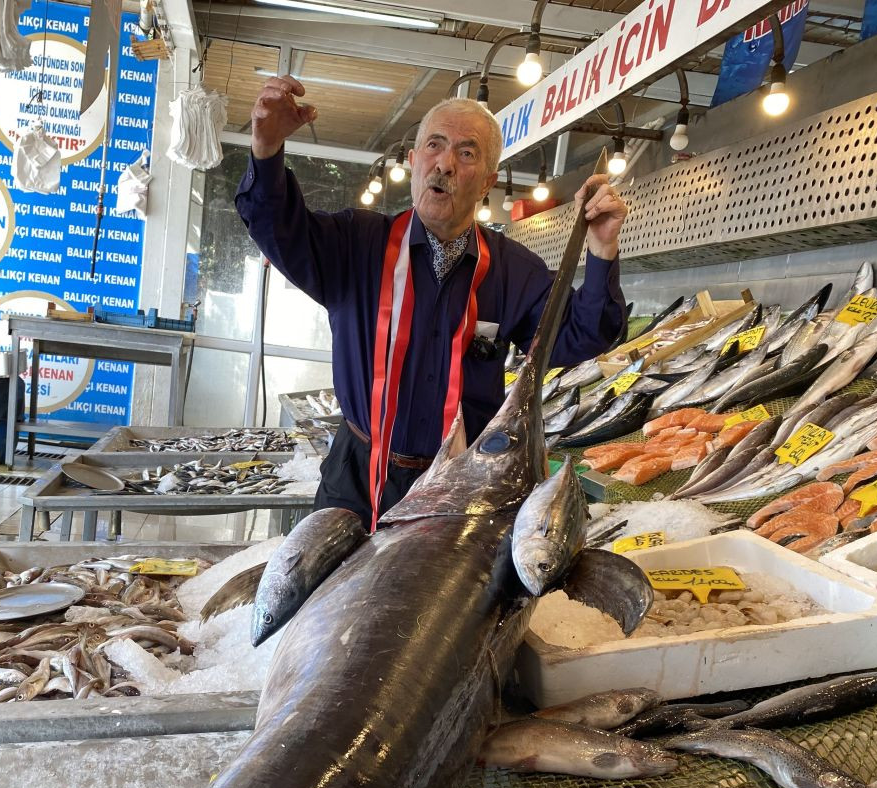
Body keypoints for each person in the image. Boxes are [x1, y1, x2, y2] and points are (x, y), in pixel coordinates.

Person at [236, 76, 629, 529]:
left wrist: (601, 249)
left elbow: (579, 336)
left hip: (464, 489)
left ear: (487, 181)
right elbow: (275, 225)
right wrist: (265, 149)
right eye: (434, 146)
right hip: (355, 484)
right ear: (414, 160)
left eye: (466, 152)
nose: (444, 164)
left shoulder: (514, 270)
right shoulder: (356, 244)